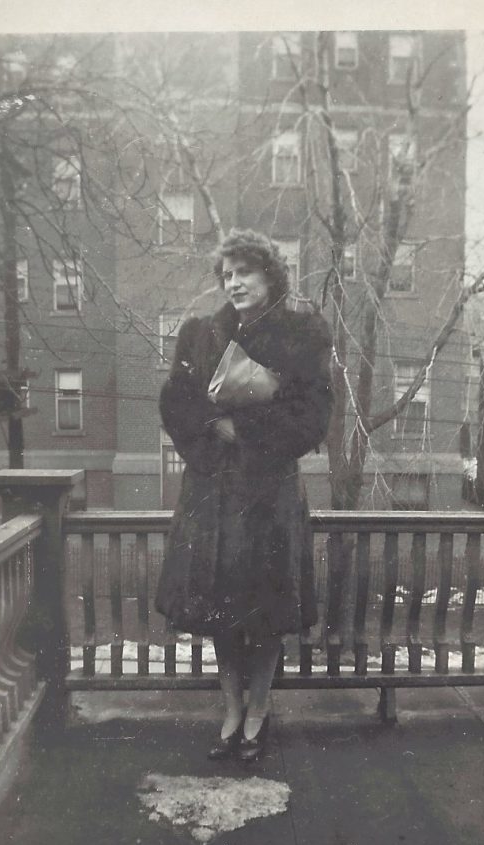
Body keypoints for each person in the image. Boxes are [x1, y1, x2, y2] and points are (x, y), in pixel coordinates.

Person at [155, 229, 333, 761]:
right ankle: (230, 711)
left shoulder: (303, 333)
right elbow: (176, 404)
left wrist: (249, 432)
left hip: (269, 495)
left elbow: (313, 418)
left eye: (244, 272)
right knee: (219, 611)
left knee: (268, 609)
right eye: (226, 275)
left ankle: (258, 711)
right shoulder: (199, 334)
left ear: (269, 273)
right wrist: (215, 426)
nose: (234, 283)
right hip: (212, 492)